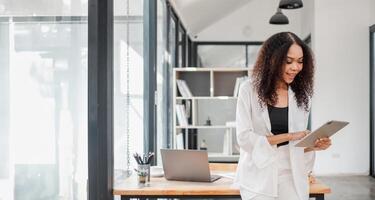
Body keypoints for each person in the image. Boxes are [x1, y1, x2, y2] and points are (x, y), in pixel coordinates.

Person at [235, 32, 331, 200]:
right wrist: (290, 136)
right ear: (272, 60)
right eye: (289, 61)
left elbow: (296, 147)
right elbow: (244, 138)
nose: (296, 67)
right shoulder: (248, 90)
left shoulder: (301, 95)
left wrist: (314, 145)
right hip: (258, 175)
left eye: (300, 61)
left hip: (291, 174)